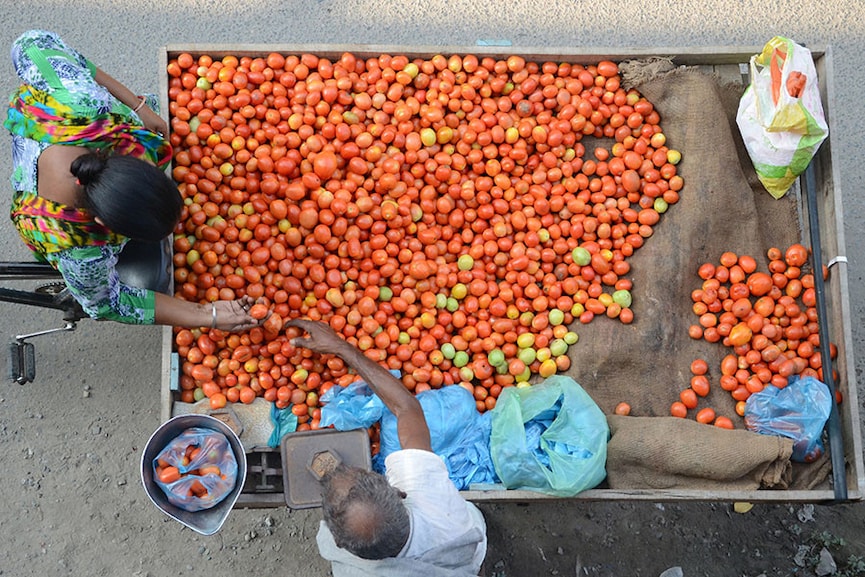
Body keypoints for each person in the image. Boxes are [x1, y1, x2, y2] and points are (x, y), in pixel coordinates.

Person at [5, 29, 258, 331]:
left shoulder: (80, 101)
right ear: (103, 225)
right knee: (150, 278)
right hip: (49, 213)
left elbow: (29, 41)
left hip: (72, 122)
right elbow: (107, 303)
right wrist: (206, 314)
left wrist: (138, 107)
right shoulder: (79, 248)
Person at [286, 318, 488, 577]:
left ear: (340, 544)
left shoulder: (344, 565)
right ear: (400, 492)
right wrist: (341, 347)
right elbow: (406, 408)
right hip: (465, 550)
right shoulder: (430, 496)